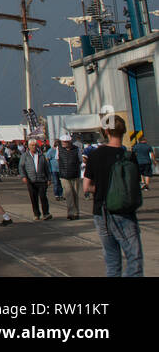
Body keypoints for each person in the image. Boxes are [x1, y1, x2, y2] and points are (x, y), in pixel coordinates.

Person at [84, 113, 144, 277]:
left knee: (112, 261)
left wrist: (102, 188)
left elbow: (86, 187)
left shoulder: (94, 155)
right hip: (122, 212)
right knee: (134, 259)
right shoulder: (129, 156)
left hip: (100, 213)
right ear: (123, 131)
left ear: (106, 132)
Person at [20, 138, 52, 220]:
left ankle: (46, 213)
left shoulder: (41, 155)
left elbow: (46, 168)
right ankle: (36, 214)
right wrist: (23, 176)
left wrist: (49, 178)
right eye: (32, 145)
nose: (34, 147)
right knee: (33, 198)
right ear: (28, 146)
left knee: (43, 196)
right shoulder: (25, 156)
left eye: (35, 145)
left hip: (42, 179)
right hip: (31, 180)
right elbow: (21, 167)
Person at [58, 134, 83, 219]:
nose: (63, 143)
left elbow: (80, 160)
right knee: (68, 194)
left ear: (69, 142)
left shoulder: (76, 149)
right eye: (62, 142)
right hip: (64, 175)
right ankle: (71, 213)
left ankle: (76, 212)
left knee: (75, 194)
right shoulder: (59, 149)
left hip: (75, 174)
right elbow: (57, 159)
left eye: (65, 142)